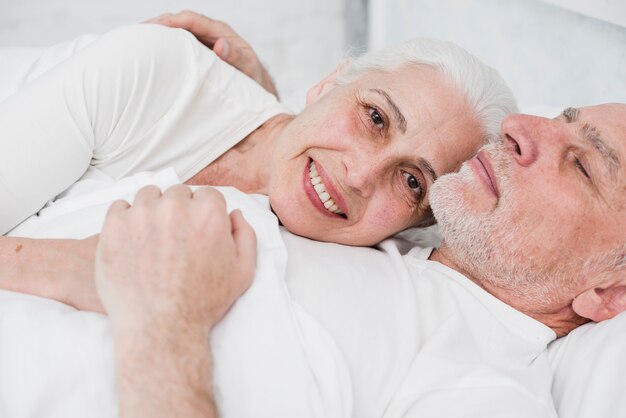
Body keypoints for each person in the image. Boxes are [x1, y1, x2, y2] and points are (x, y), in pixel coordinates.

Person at [89, 101, 625, 418]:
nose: (519, 124)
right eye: (559, 116)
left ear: (607, 292)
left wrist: (164, 329)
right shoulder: (386, 233)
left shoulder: (486, 394)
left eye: (581, 165)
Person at [0, 12, 517, 247]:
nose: (360, 174)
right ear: (328, 82)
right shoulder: (156, 71)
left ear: (414, 225)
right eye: (376, 117)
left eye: (411, 182)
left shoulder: (381, 267)